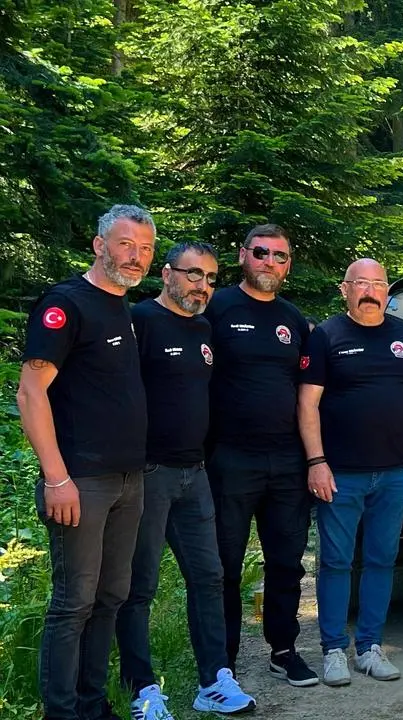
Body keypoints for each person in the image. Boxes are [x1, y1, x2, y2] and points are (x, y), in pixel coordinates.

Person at [18, 204, 154, 720]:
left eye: (145, 248)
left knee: (111, 595)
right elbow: (31, 393)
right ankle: (62, 712)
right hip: (81, 480)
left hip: (129, 478)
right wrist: (57, 478)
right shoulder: (66, 304)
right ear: (99, 245)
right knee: (74, 602)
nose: (136, 256)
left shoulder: (123, 307)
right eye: (125, 244)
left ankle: (93, 706)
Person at [115, 242, 257, 718]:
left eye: (211, 278)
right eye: (193, 274)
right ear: (166, 273)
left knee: (210, 577)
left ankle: (213, 681)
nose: (202, 285)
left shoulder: (203, 327)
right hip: (148, 473)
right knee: (140, 585)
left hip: (195, 473)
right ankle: (142, 690)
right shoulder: (139, 320)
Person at [299, 259, 403, 686]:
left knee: (382, 560)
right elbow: (307, 404)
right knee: (336, 562)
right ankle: (333, 650)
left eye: (377, 283)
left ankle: (369, 647)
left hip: (394, 472)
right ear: (345, 289)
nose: (370, 291)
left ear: (387, 291)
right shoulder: (326, 335)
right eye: (361, 283)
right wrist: (316, 462)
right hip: (340, 474)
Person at [205, 225, 318, 686]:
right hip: (230, 458)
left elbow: (312, 386)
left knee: (287, 562)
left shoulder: (294, 319)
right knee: (225, 565)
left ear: (288, 265)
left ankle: (284, 650)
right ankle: (223, 662)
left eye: (280, 256)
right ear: (242, 255)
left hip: (287, 460)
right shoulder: (216, 307)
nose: (269, 262)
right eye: (261, 252)